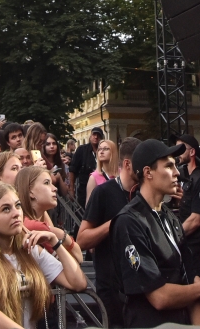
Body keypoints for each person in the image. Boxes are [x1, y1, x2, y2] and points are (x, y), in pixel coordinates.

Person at [111, 139, 200, 328]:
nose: (177, 173)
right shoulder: (129, 221)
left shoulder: (171, 219)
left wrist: (195, 291)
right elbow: (159, 296)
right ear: (148, 173)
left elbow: (190, 278)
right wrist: (199, 290)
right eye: (169, 166)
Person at [0, 182, 86, 329]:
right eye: (6, 209)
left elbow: (77, 283)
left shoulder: (29, 248)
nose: (16, 213)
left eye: (18, 206)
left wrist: (55, 242)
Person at [77, 137, 140, 328]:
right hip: (111, 287)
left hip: (139, 287)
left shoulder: (144, 194)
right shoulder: (103, 192)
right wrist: (115, 222)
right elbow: (82, 239)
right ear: (128, 164)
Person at [176, 135, 200, 324]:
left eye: (181, 148)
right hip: (185, 247)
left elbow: (196, 219)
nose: (177, 153)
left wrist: (173, 236)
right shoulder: (185, 179)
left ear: (192, 152)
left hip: (197, 249)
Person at [14, 167, 82, 261]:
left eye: (52, 183)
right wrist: (63, 235)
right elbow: (78, 259)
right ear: (30, 192)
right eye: (46, 183)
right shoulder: (36, 226)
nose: (55, 188)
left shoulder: (29, 220)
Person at [68, 128, 102, 206]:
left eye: (98, 135)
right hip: (84, 190)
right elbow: (72, 169)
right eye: (94, 134)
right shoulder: (82, 150)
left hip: (100, 190)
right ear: (90, 136)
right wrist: (71, 189)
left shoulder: (103, 151)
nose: (96, 137)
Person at [85, 139, 118, 206]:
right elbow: (89, 206)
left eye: (105, 149)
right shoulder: (94, 177)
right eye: (99, 149)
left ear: (113, 152)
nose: (101, 152)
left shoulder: (121, 173)